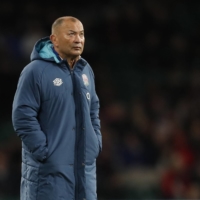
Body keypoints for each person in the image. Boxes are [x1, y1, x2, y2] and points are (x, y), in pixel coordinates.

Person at [12, 16, 102, 200]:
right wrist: (45, 152)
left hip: (84, 174)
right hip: (48, 176)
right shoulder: (35, 71)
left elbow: (93, 109)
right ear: (54, 39)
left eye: (81, 34)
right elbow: (22, 116)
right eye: (71, 34)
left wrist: (95, 143)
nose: (78, 39)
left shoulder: (86, 70)